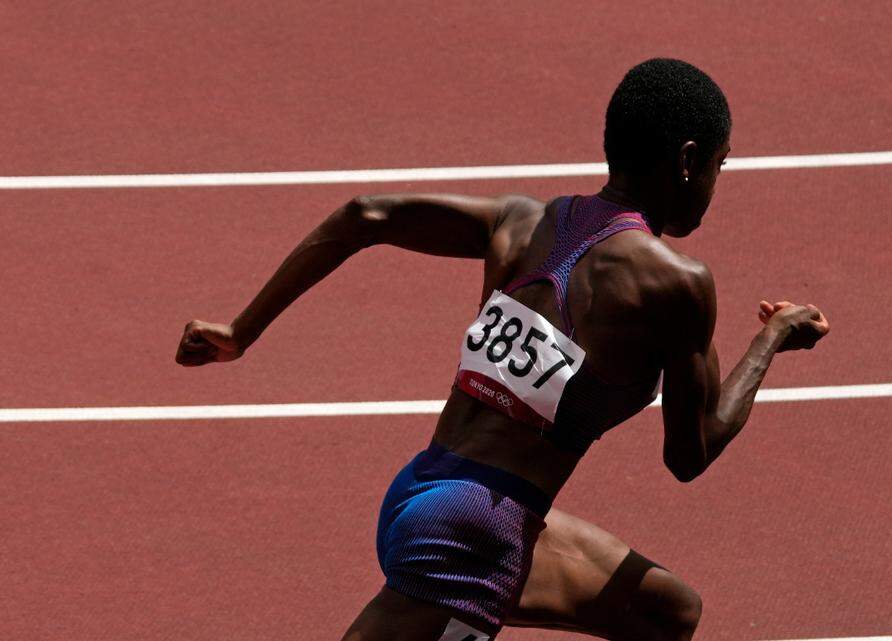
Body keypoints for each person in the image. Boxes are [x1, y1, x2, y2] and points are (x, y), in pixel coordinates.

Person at [176, 58, 830, 641]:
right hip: (472, 535)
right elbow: (691, 452)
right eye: (720, 164)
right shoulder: (677, 284)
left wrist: (241, 333)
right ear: (688, 161)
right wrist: (769, 340)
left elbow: (365, 213)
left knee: (666, 612)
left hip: (430, 489)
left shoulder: (523, 222)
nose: (716, 181)